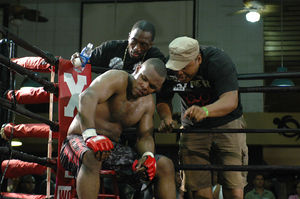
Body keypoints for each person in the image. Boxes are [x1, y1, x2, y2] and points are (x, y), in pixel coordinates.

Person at [60, 58, 176, 199]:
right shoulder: (117, 78)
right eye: (144, 79)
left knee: (165, 165)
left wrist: (147, 156)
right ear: (138, 68)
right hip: (77, 140)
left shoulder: (148, 104)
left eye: (152, 87)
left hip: (111, 148)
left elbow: (144, 136)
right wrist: (90, 135)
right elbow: (87, 96)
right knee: (92, 155)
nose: (145, 87)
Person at [156, 36, 248, 199]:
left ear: (198, 59)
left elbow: (230, 100)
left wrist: (205, 111)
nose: (179, 73)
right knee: (198, 188)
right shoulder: (169, 68)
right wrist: (166, 117)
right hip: (193, 127)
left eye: (184, 67)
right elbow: (163, 99)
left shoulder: (218, 61)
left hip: (227, 123)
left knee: (233, 187)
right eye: (175, 67)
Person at [72, 20, 166, 72]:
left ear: (150, 45)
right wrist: (76, 60)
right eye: (134, 41)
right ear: (129, 37)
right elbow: (81, 62)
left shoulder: (156, 58)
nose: (137, 48)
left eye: (143, 44)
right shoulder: (111, 48)